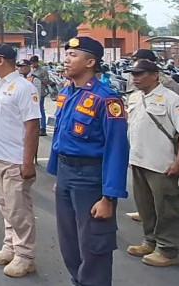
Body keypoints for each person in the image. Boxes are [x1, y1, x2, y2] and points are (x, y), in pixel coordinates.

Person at [47, 37, 129, 286]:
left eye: (74, 55)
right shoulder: (65, 93)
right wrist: (57, 175)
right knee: (69, 242)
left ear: (91, 62)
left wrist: (108, 197)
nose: (66, 59)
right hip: (66, 175)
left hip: (90, 179)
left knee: (94, 244)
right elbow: (60, 136)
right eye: (67, 54)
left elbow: (117, 149)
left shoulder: (107, 99)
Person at [0, 44, 41, 278]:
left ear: (0, 60)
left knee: (19, 209)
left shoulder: (24, 87)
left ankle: (25, 256)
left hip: (15, 159)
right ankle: (11, 246)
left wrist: (28, 162)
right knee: (6, 205)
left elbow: (32, 125)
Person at [125, 58, 179, 267]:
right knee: (145, 206)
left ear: (155, 74)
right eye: (133, 74)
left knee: (167, 208)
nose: (135, 78)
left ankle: (167, 249)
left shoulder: (170, 99)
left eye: (140, 74)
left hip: (162, 164)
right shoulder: (134, 98)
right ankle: (150, 241)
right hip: (139, 161)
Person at [30, 56, 50, 136]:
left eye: (34, 63)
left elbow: (46, 81)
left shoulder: (43, 71)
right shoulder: (30, 70)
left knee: (40, 110)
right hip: (31, 93)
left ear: (37, 62)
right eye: (31, 63)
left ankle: (43, 128)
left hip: (40, 93)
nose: (33, 65)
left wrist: (37, 79)